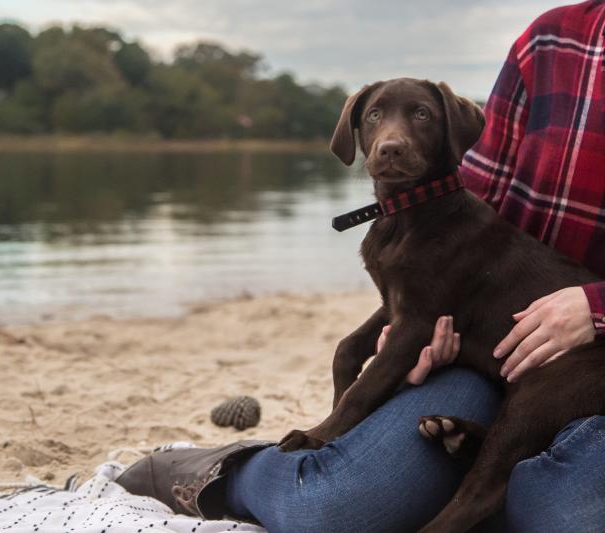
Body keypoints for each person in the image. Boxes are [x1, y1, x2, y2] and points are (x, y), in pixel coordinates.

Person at [117, 2, 605, 531]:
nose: (393, 137)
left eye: (416, 116)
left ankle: (481, 479)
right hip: (496, 353)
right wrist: (408, 332)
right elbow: (475, 201)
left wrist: (596, 306)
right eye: (379, 119)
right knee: (331, 507)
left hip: (585, 367)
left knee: (554, 510)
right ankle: (220, 471)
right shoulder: (553, 41)